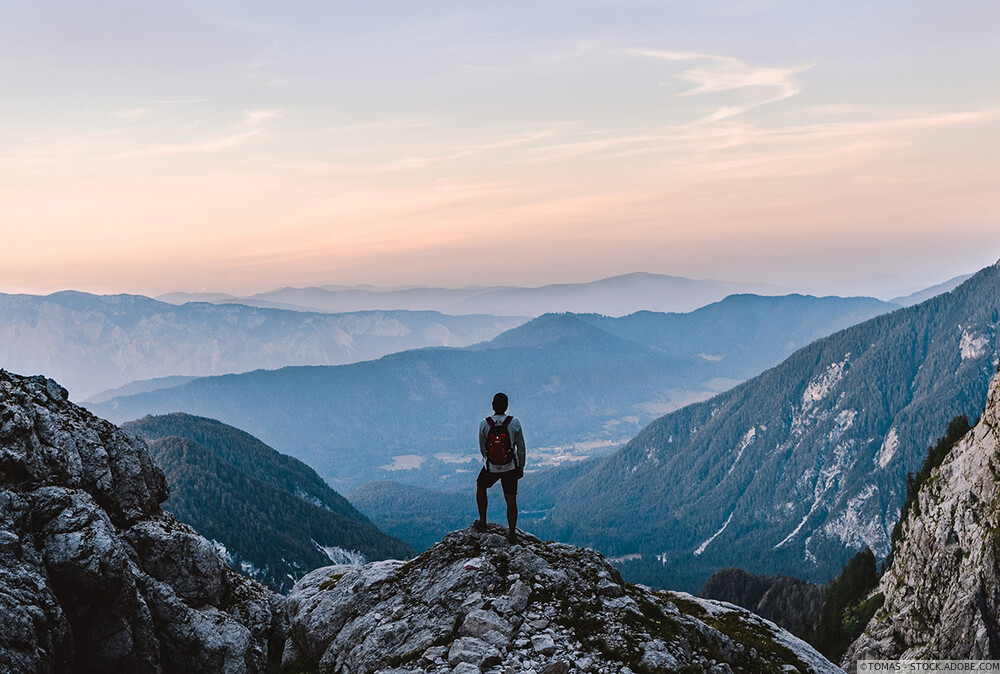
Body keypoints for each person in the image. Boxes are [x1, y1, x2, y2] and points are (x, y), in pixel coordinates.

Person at [475, 392, 526, 544]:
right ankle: (511, 533)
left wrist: (490, 462)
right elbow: (521, 448)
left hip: (491, 468)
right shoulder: (514, 422)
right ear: (507, 406)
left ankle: (483, 522)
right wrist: (520, 467)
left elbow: (482, 448)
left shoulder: (484, 424)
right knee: (511, 499)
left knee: (480, 486)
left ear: (492, 406)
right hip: (510, 467)